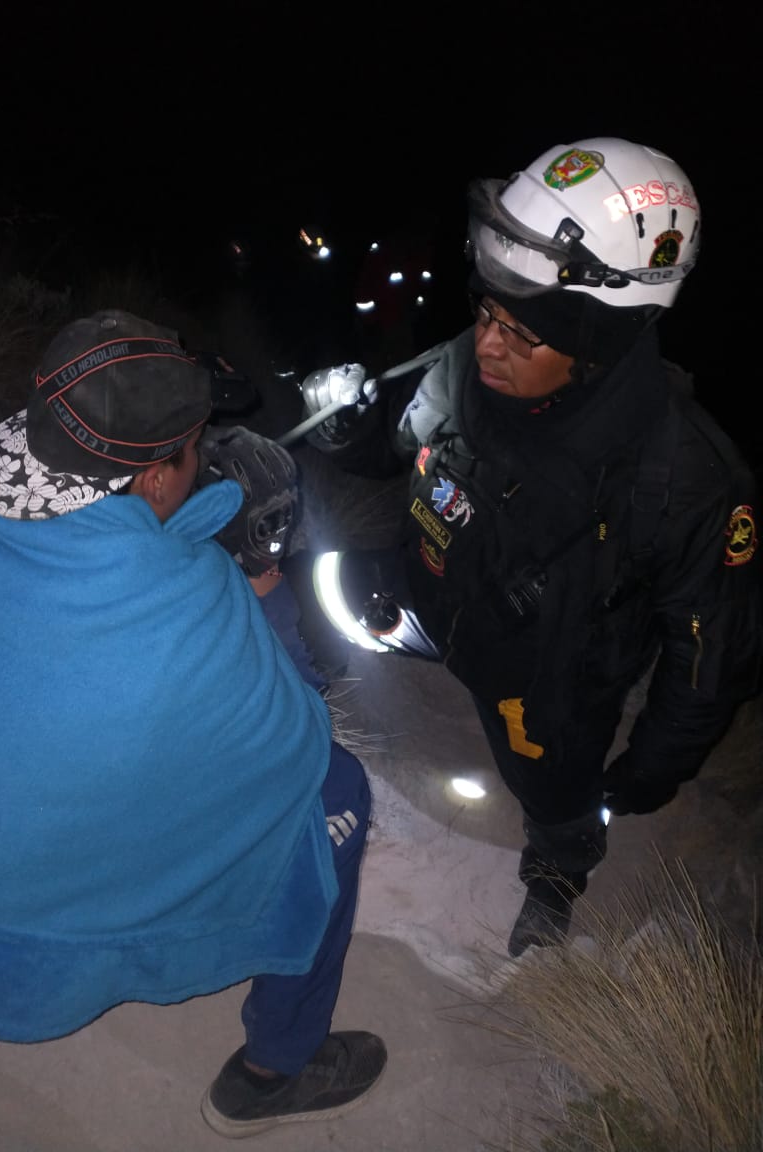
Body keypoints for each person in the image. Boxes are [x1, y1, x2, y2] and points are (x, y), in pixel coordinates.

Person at [0, 309, 386, 1138]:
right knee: (339, 795)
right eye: (194, 448)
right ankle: (274, 1070)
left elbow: (110, 551)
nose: (201, 460)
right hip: (18, 969)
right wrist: (260, 572)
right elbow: (299, 733)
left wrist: (196, 526)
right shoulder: (186, 611)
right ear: (159, 477)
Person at [289, 136, 763, 958]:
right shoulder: (469, 366)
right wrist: (349, 427)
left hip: (539, 683)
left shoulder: (687, 480)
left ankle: (556, 875)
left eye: (521, 331)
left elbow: (705, 668)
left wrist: (640, 778)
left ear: (601, 337)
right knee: (295, 593)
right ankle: (284, 733)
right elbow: (387, 452)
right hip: (423, 597)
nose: (488, 345)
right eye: (484, 312)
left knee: (554, 790)